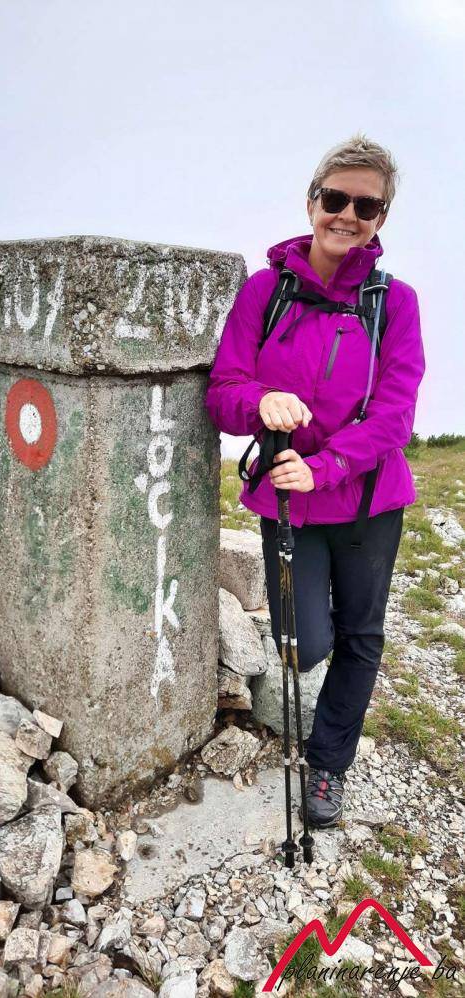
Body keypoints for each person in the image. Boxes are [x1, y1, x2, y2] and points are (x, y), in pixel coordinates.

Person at [205, 133, 426, 828]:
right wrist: (259, 400)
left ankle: (327, 763)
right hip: (288, 503)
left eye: (367, 206)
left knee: (360, 636)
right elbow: (223, 391)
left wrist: (324, 467)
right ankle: (311, 705)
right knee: (304, 642)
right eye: (336, 199)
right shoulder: (265, 292)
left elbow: (395, 416)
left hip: (366, 502)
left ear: (381, 218)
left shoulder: (396, 303)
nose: (348, 215)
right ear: (312, 203)